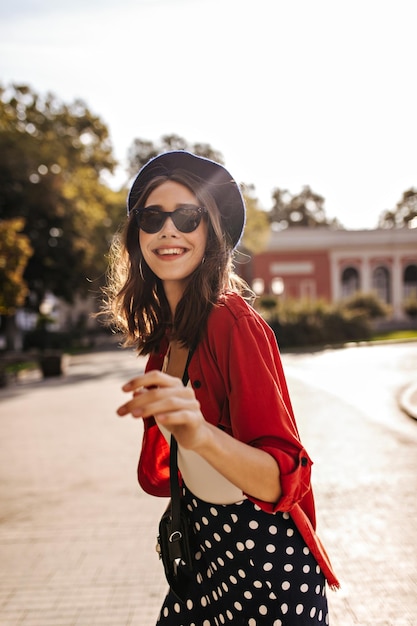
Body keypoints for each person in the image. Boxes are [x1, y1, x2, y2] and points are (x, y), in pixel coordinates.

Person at [105, 150, 339, 625]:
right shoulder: (170, 333)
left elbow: (283, 479)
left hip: (263, 569)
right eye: (153, 218)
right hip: (201, 555)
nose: (168, 230)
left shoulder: (230, 322)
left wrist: (201, 434)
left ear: (210, 233)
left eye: (187, 217)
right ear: (137, 238)